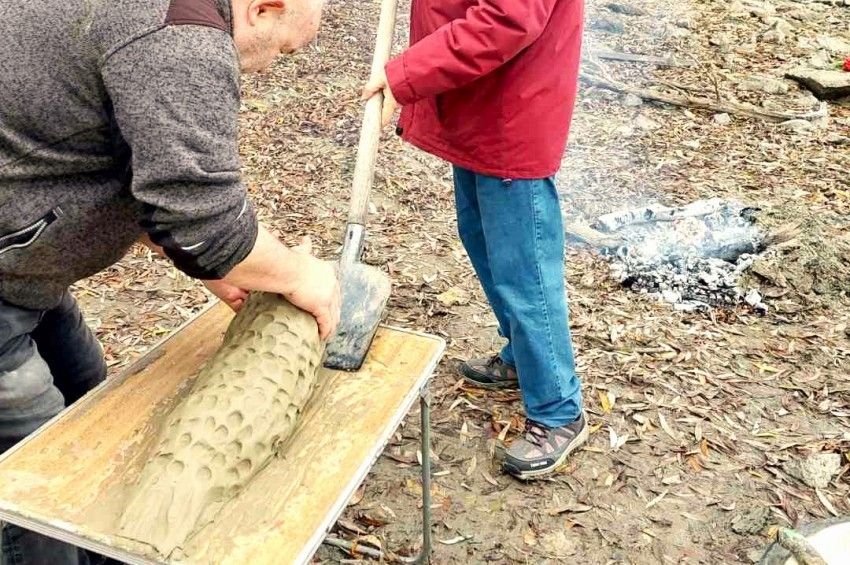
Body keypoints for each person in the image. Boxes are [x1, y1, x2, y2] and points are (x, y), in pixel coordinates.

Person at [0, 0, 339, 562]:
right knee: (35, 480)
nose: (267, 68)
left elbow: (143, 170)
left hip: (26, 264)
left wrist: (215, 267)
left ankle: (113, 548)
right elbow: (205, 218)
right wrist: (301, 274)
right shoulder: (179, 37)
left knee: (90, 401)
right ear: (262, 9)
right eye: (283, 50)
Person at [362, 0, 587, 480]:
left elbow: (508, 18)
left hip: (512, 109)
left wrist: (406, 74)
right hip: (477, 104)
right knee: (484, 241)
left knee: (523, 271)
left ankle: (557, 407)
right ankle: (524, 358)